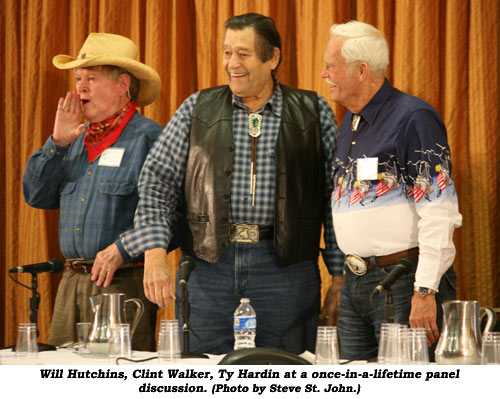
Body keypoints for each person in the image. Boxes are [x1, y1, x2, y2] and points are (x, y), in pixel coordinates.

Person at [121, 13, 344, 355]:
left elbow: (336, 200)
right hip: (209, 270)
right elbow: (156, 182)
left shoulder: (313, 112)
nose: (232, 64)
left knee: (285, 373)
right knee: (201, 375)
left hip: (286, 274)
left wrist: (339, 276)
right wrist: (153, 252)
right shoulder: (197, 108)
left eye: (243, 54)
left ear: (273, 58)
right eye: (227, 53)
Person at [319, 21, 462, 360]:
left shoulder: (414, 117)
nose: (324, 73)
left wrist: (425, 291)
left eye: (331, 66)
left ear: (361, 70)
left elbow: (439, 211)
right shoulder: (350, 119)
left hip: (403, 281)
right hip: (357, 284)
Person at [23, 33, 167, 351]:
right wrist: (57, 144)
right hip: (71, 283)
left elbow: (175, 217)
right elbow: (36, 196)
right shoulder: (72, 139)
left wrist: (123, 248)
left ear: (122, 85)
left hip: (123, 284)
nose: (81, 88)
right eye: (78, 78)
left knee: (118, 379)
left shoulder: (151, 139)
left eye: (92, 78)